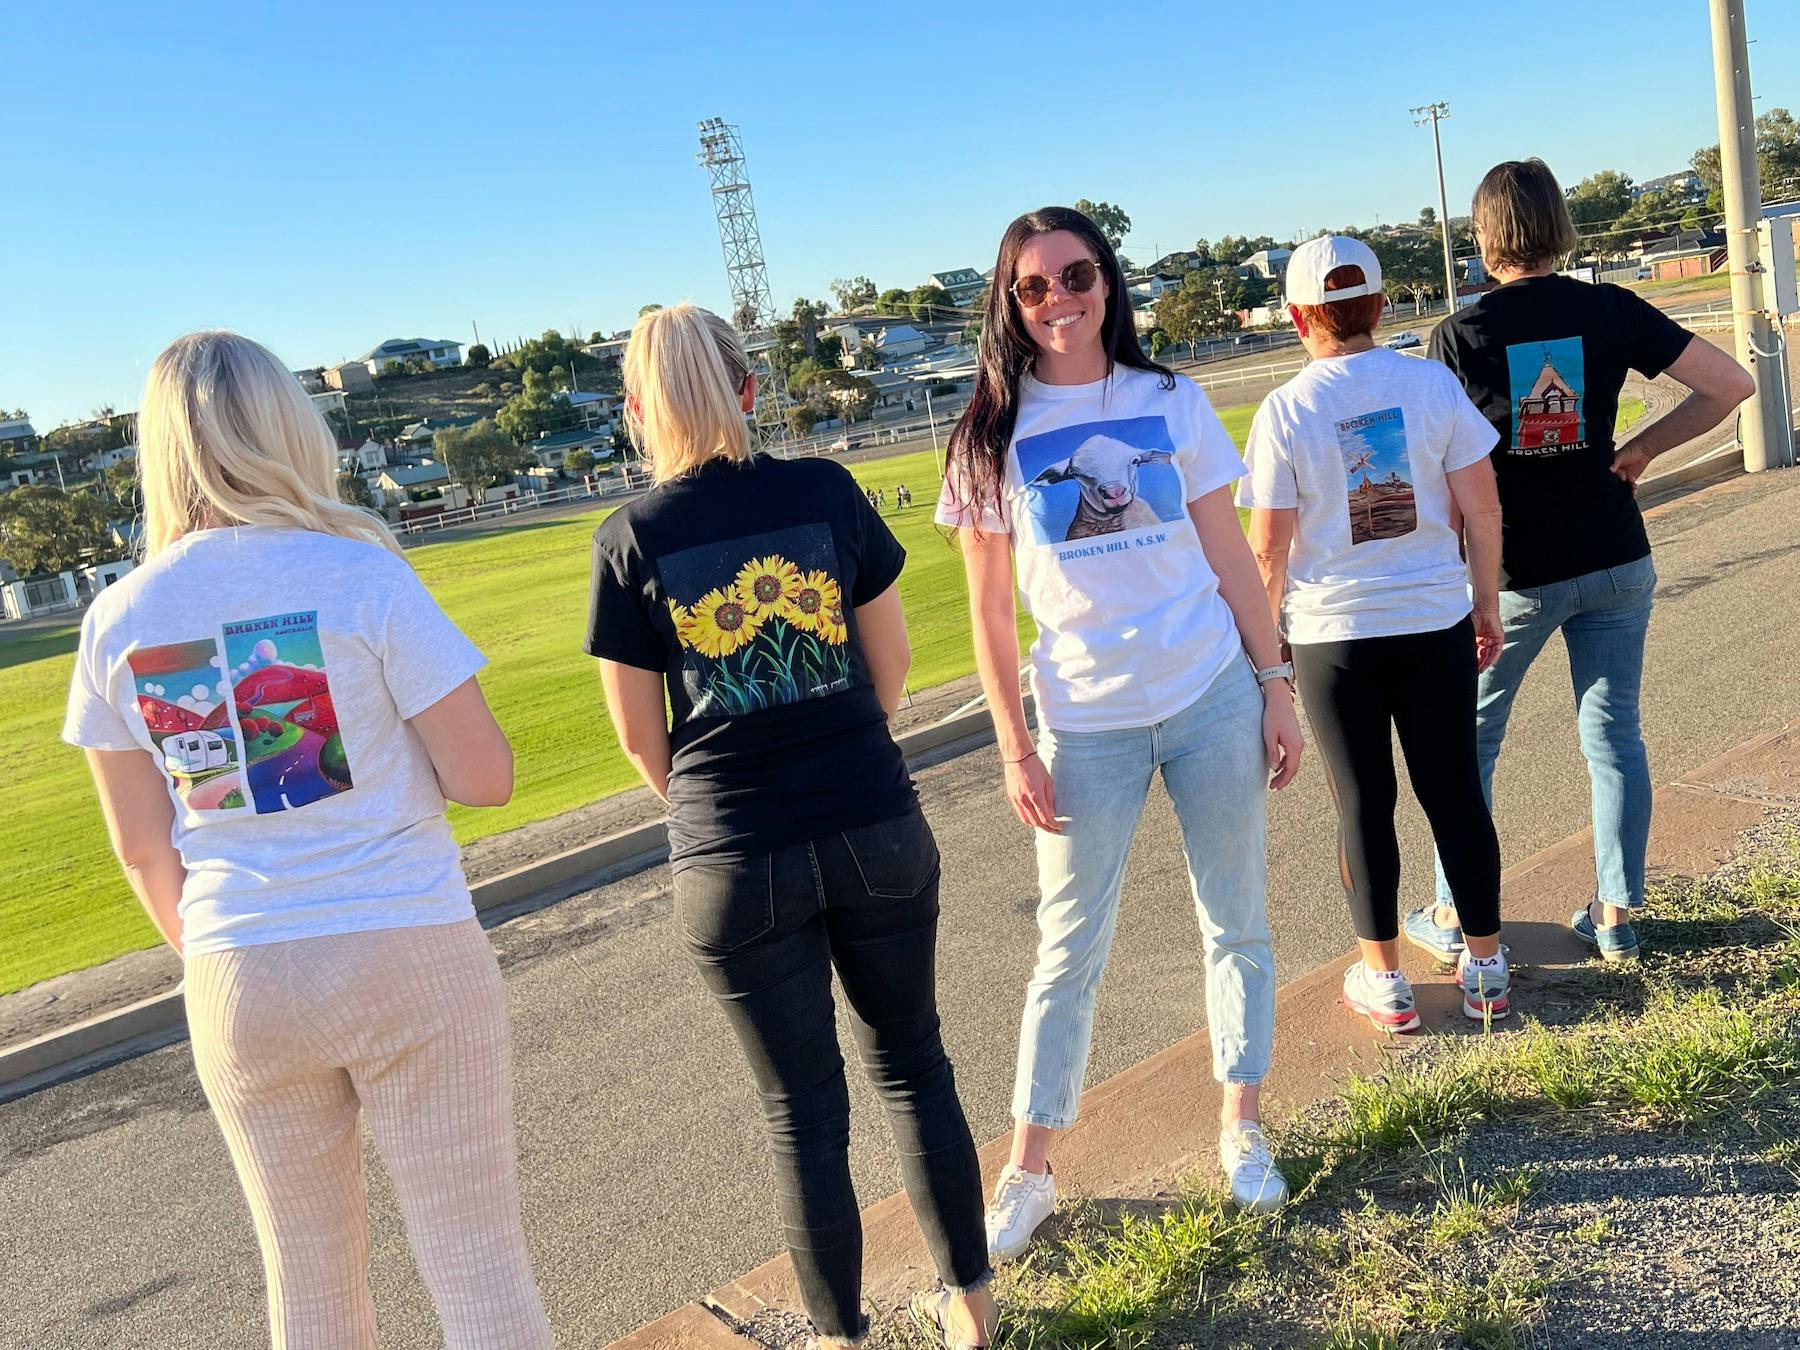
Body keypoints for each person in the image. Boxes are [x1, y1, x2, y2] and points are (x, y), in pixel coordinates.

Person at [62, 331, 552, 1349]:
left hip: (237, 973)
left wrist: (226, 948)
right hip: (407, 945)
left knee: (310, 1289)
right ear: (290, 427)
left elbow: (142, 848)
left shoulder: (117, 618)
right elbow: (485, 778)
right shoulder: (360, 576)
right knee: (479, 1271)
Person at [586, 303, 997, 1349]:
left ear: (637, 411)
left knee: (802, 1114)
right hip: (872, 815)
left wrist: (722, 807)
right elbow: (890, 664)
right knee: (914, 1065)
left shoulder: (629, 537)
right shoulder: (822, 489)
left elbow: (642, 739)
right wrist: (844, 750)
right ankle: (972, 1308)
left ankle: (840, 1336)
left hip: (733, 850)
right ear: (750, 391)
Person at [936, 207, 1302, 1264]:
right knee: (1067, 951)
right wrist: (1013, 745)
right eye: (1035, 285)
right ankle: (1030, 1169)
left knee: (1236, 922)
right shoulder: (987, 437)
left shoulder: (1170, 401)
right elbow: (990, 619)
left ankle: (1241, 1128)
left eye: (1077, 275)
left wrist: (1275, 686)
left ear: (1109, 282)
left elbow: (1232, 558)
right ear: (1010, 302)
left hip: (1209, 697)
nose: (1060, 299)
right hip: (1084, 721)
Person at [1425, 159, 1754, 963]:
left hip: (1513, 575)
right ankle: (1616, 918)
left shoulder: (1459, 334)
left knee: (1469, 748)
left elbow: (1439, 473)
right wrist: (1639, 449)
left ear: (1483, 237)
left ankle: (1453, 915)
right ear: (1562, 226)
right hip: (1616, 555)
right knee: (1614, 739)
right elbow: (1729, 384)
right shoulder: (1611, 309)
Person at [1240, 236, 1510, 1031]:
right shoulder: (1428, 384)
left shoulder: (1286, 408)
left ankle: (1385, 982)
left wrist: (1270, 655)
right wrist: (1485, 603)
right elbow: (1484, 507)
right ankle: (1486, 967)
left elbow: (1268, 549)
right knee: (1455, 792)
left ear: (1296, 317)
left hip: (1334, 636)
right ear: (1381, 307)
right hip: (1434, 618)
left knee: (1363, 804)